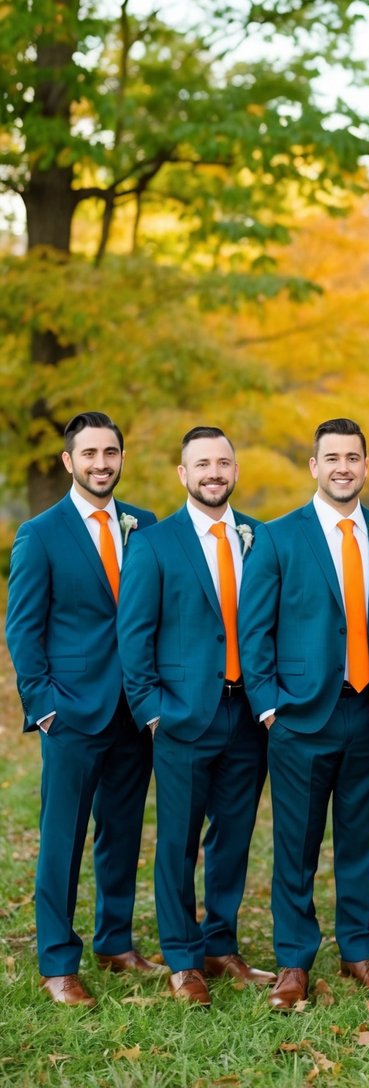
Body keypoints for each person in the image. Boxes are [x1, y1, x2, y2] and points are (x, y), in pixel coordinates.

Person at [238, 417, 369, 1010]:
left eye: (353, 457)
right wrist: (268, 709)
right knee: (296, 844)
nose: (342, 467)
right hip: (298, 719)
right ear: (314, 466)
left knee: (362, 839)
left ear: (365, 466)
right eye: (331, 457)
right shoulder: (278, 538)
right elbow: (252, 629)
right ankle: (293, 961)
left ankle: (359, 951)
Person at [5, 411, 158, 1007]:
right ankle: (56, 961)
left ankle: (114, 942)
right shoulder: (40, 533)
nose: (102, 464)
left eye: (111, 453)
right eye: (89, 454)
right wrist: (43, 706)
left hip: (135, 711)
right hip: (70, 712)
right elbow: (23, 629)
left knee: (121, 832)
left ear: (122, 458)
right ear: (69, 462)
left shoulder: (143, 526)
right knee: (62, 837)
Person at [118, 426, 274, 1006]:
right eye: (202, 464)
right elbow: (133, 638)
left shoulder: (260, 536)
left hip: (247, 714)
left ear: (235, 471)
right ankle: (183, 958)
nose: (214, 472)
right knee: (178, 842)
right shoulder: (155, 544)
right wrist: (153, 712)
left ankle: (220, 942)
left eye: (223, 462)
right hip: (182, 718)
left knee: (233, 836)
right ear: (183, 474)